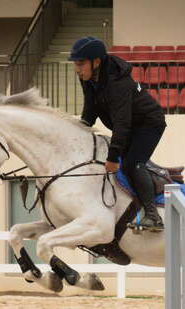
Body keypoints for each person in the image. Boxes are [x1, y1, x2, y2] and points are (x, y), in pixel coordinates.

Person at [68, 36, 167, 231]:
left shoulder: (117, 83)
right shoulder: (89, 79)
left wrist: (113, 157)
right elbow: (90, 111)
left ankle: (153, 215)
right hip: (129, 125)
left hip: (149, 124)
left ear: (96, 62)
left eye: (81, 64)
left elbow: (122, 125)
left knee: (132, 163)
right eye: (76, 64)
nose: (77, 69)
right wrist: (77, 134)